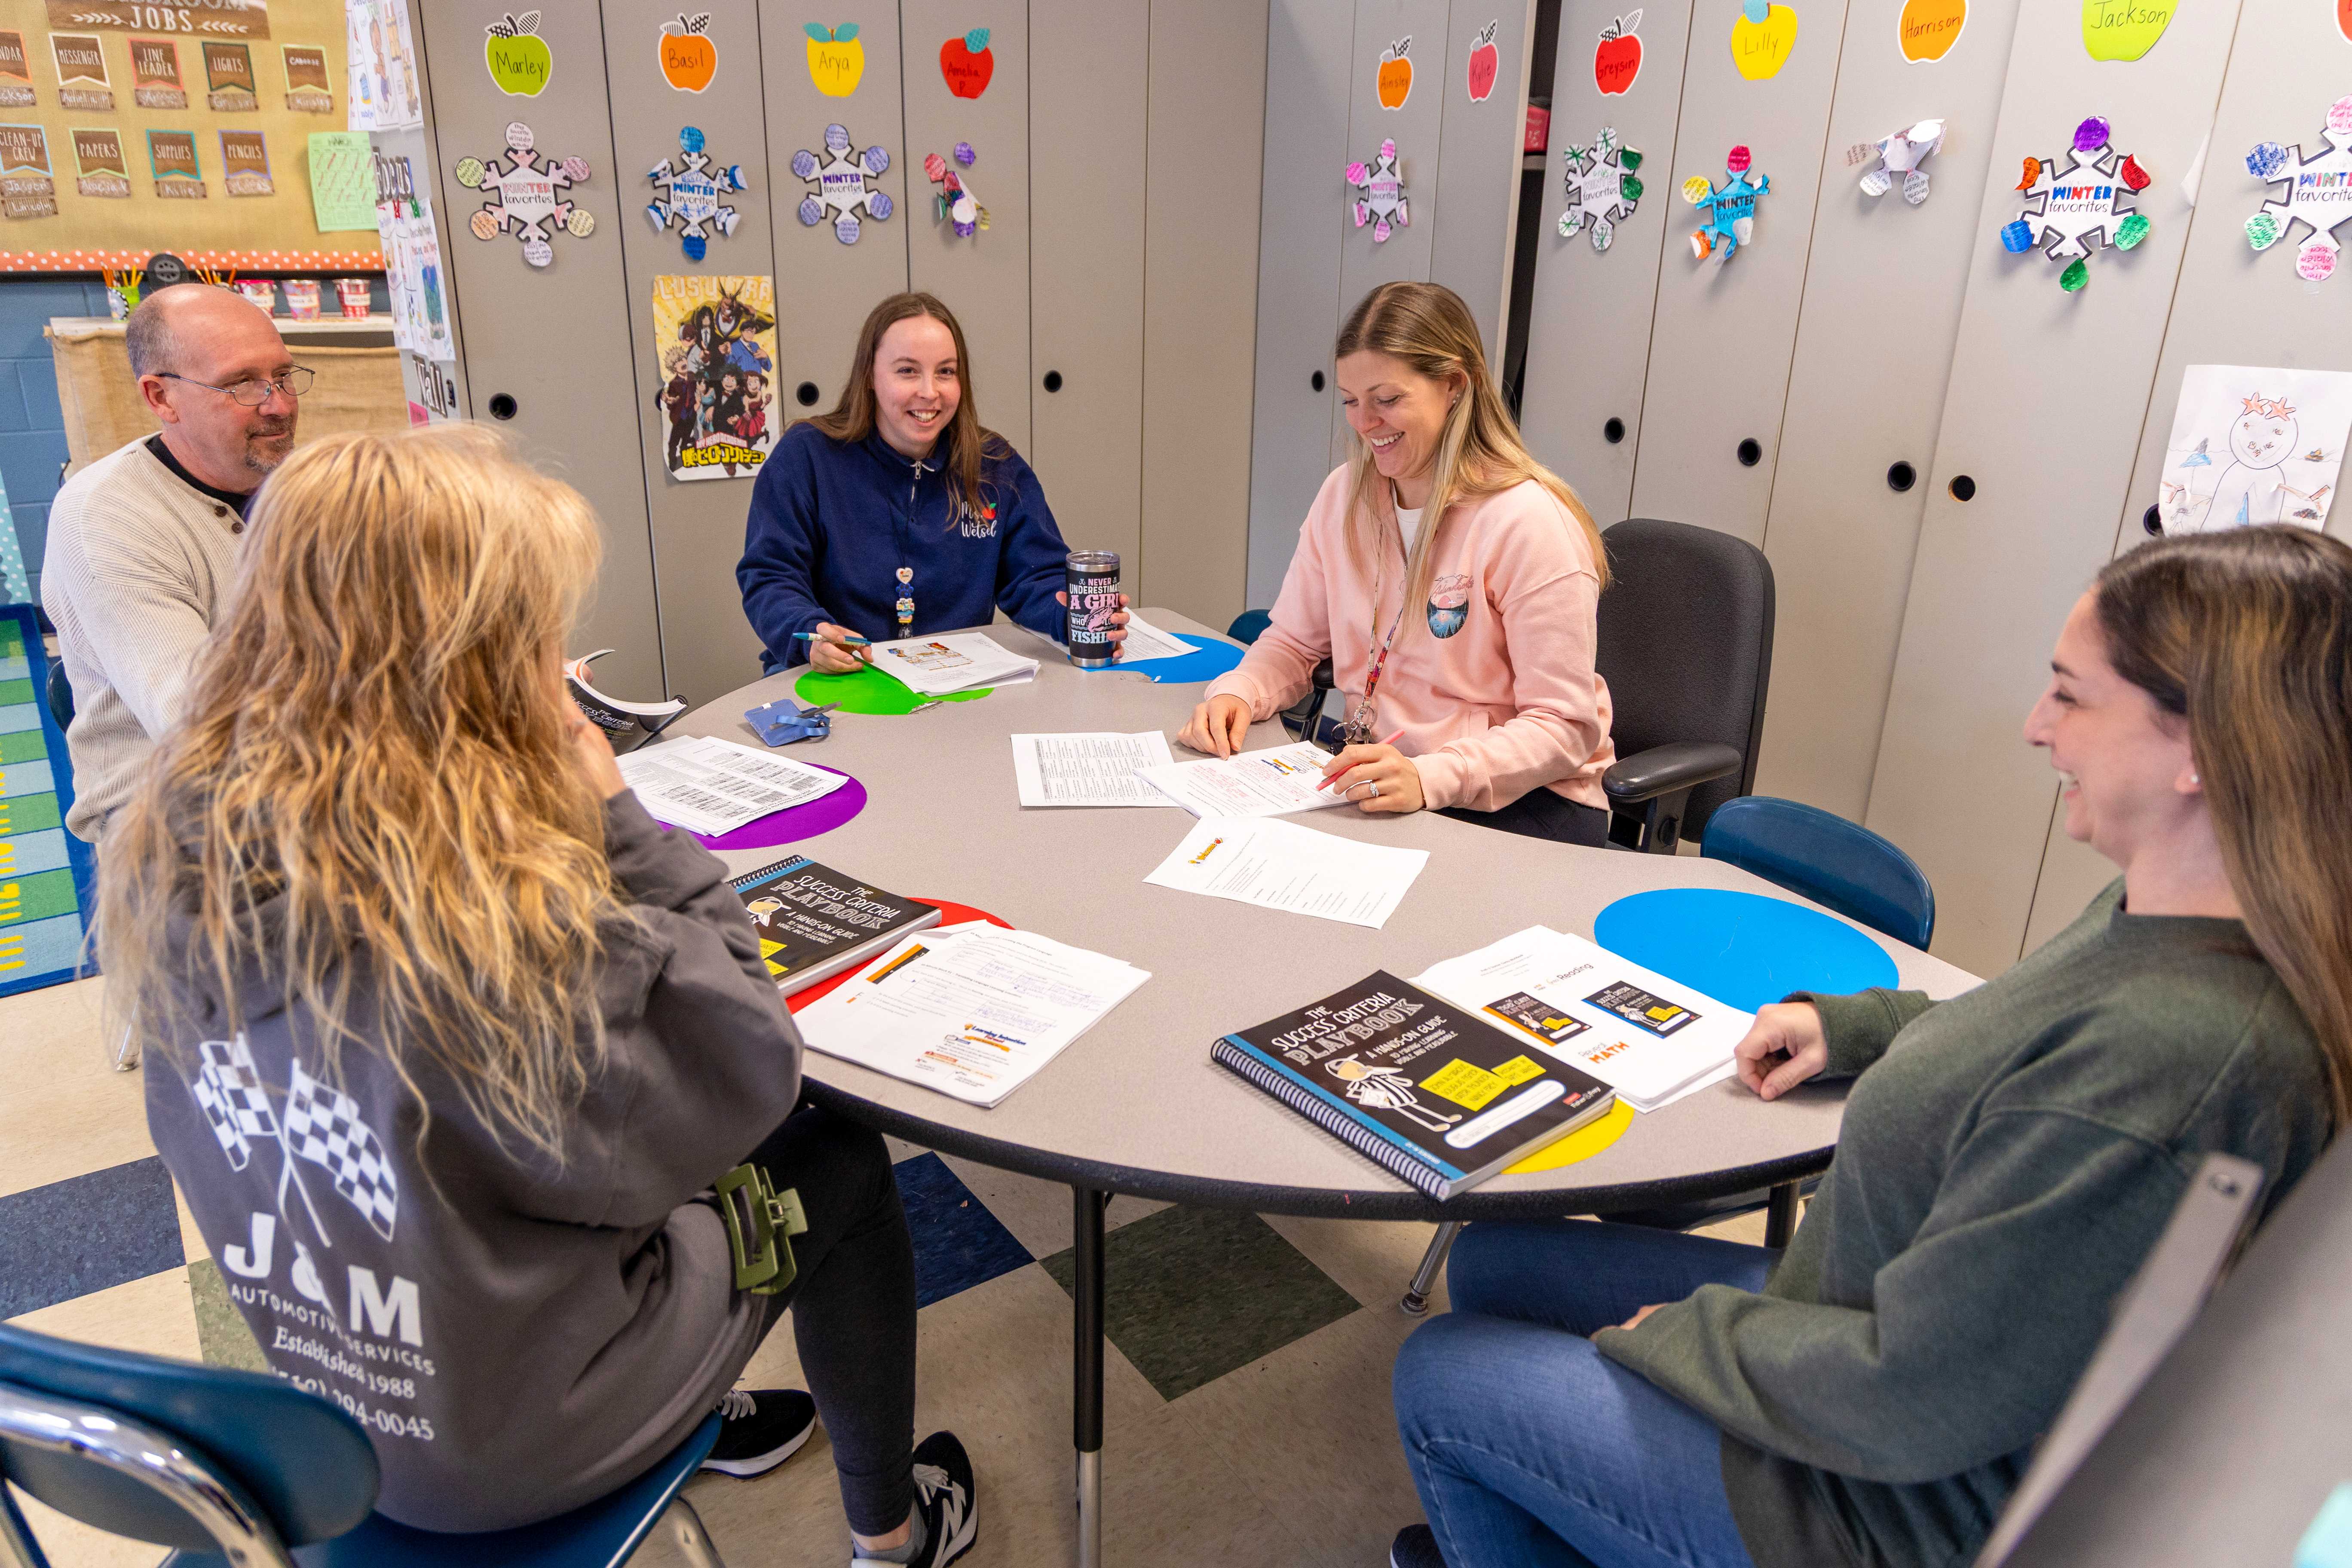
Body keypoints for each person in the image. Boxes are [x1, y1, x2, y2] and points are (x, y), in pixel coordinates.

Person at [1387, 524, 2352, 1568]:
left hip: (1876, 1505)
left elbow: (1916, 1396)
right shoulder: (2163, 907)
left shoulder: (2177, 1057)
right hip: (1861, 1316)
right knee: (1495, 1256)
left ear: (2200, 750)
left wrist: (1678, 1336)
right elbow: (2019, 1034)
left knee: (1442, 1373)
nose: (2036, 727)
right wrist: (1849, 1026)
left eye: (2070, 697)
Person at [100, 428, 977, 1568]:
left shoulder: (176, 849)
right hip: (509, 1446)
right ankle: (891, 1535)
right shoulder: (488, 913)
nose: (560, 665)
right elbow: (750, 1075)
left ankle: (706, 1409)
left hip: (328, 1400)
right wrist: (623, 827)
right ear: (466, 660)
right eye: (538, 632)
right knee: (841, 1161)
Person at [1178, 282, 1617, 845]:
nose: (1364, 422)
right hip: (1388, 772)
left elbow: (1564, 727)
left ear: (1455, 386)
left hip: (1524, 801)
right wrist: (1238, 692)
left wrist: (1431, 776)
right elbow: (1293, 643)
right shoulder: (1345, 497)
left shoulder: (1529, 522)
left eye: (1387, 400)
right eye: (1350, 400)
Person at [40, 283, 307, 843]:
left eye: (283, 377)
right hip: (163, 817)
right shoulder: (105, 514)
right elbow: (200, 727)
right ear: (161, 397)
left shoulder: (297, 484)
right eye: (243, 385)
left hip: (292, 772)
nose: (279, 404)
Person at [737, 291, 1124, 674]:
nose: (929, 392)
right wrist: (808, 632)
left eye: (946, 372)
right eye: (907, 371)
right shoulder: (807, 456)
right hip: (835, 677)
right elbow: (770, 575)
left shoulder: (994, 464)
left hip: (952, 683)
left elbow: (1037, 578)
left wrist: (1073, 614)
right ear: (869, 376)